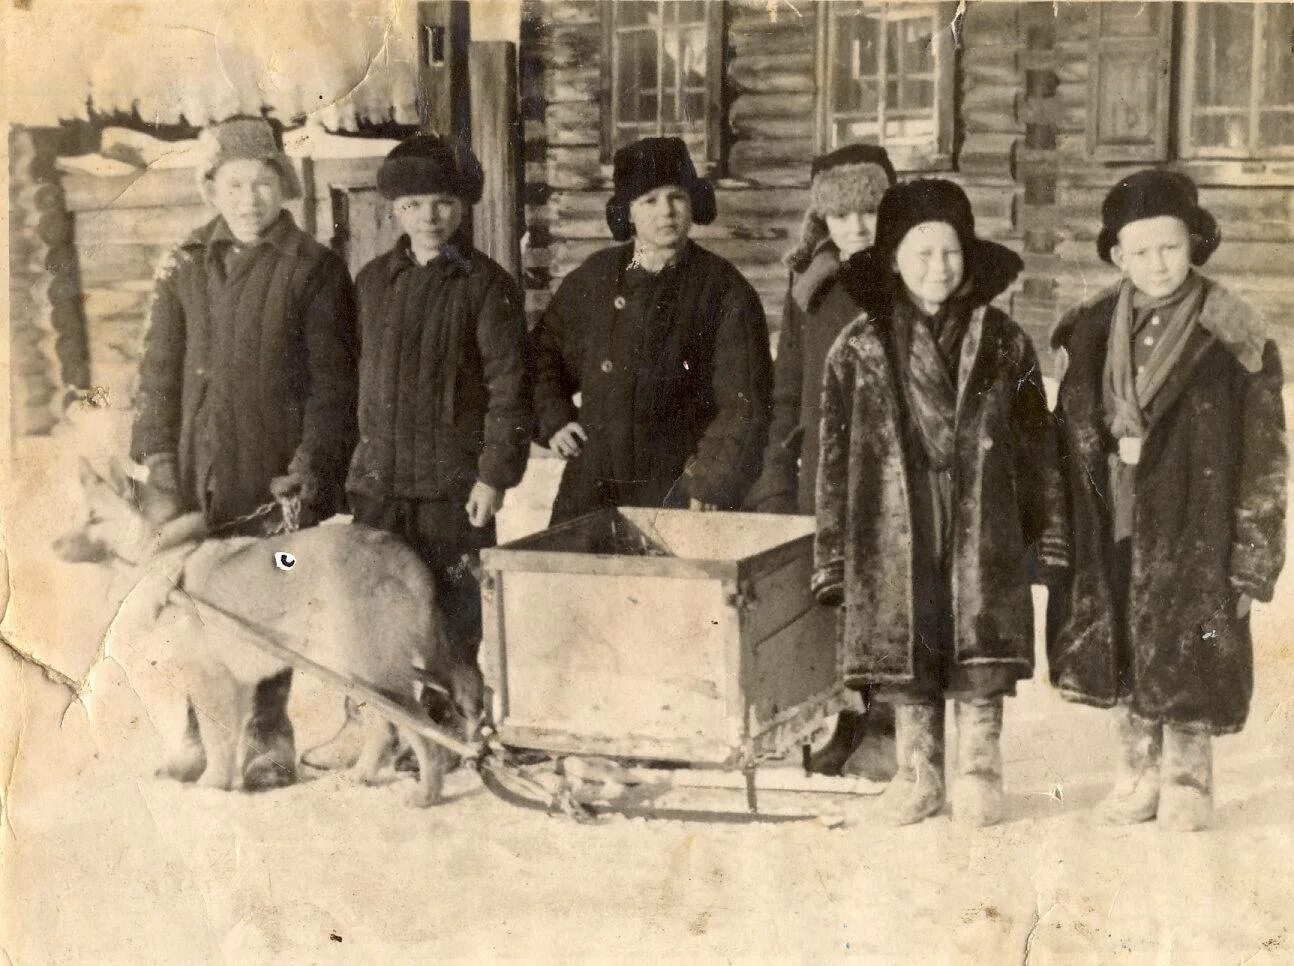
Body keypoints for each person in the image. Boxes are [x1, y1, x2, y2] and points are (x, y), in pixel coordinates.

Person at [813, 179, 1061, 827]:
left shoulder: (1004, 342)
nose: (937, 268)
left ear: (967, 256)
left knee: (978, 651)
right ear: (893, 258)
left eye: (949, 252)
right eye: (920, 254)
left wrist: (1047, 530)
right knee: (910, 647)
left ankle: (980, 771)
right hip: (894, 527)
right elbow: (835, 463)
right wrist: (834, 554)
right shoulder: (859, 349)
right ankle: (918, 774)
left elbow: (1038, 443)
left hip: (980, 524)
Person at [1044, 169, 1286, 831]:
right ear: (1119, 256)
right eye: (1142, 251)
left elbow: (1267, 461)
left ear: (1195, 244)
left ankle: (1187, 779)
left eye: (1171, 247)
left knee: (1189, 643)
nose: (1158, 263)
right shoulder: (1090, 330)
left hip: (1194, 525)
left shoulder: (1233, 336)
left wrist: (1252, 561)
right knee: (1122, 633)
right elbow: (1064, 439)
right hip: (1112, 515)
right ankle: (1136, 771)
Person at [131, 115, 359, 790]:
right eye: (235, 184)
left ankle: (267, 734)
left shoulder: (314, 269)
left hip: (274, 485)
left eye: (262, 183)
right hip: (193, 477)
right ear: (212, 188)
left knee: (271, 597)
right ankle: (201, 733)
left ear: (281, 187)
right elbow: (156, 371)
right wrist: (158, 463)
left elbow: (334, 384)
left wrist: (311, 466)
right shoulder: (183, 263)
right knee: (190, 607)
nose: (249, 198)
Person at [302, 134, 532, 771]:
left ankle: (457, 729)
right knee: (373, 618)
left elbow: (510, 389)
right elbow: (346, 384)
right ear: (392, 212)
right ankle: (373, 727)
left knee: (451, 616)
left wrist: (493, 476)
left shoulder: (488, 286)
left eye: (442, 203)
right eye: (413, 205)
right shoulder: (372, 283)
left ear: (462, 210)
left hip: (452, 492)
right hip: (379, 487)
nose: (429, 216)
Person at [745, 144, 898, 782]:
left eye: (870, 211)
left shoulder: (909, 273)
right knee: (836, 599)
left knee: (888, 593)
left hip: (889, 465)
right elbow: (789, 386)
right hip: (822, 469)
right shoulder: (809, 285)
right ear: (823, 221)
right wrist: (776, 477)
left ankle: (891, 725)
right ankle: (849, 719)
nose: (857, 227)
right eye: (842, 215)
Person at [530, 136, 772, 523]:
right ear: (628, 211)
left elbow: (745, 402)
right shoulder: (595, 278)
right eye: (650, 201)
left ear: (693, 203)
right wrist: (554, 420)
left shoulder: (724, 289)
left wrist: (710, 480)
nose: (667, 212)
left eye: (676, 196)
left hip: (679, 490)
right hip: (593, 485)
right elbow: (542, 356)